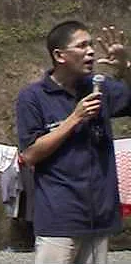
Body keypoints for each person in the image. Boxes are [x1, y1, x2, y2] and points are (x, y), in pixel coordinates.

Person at [16, 20, 131, 264]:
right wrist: (75, 118)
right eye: (82, 46)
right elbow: (30, 155)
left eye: (91, 45)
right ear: (60, 55)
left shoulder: (99, 88)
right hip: (59, 218)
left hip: (100, 217)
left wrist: (125, 70)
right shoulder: (33, 98)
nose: (91, 51)